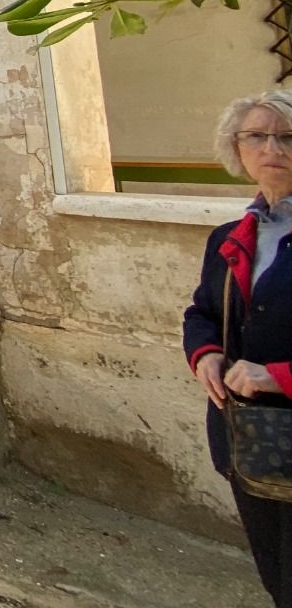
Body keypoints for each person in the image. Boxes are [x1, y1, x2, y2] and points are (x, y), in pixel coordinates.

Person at [184, 91, 292, 606]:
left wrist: (280, 375)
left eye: (287, 136)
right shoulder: (229, 236)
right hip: (247, 436)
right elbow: (201, 313)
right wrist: (205, 354)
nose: (273, 147)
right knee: (273, 568)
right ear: (237, 147)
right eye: (257, 136)